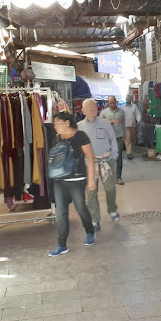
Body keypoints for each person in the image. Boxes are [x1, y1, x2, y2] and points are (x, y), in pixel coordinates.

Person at [49, 112, 97, 257]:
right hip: (59, 181)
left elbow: (90, 157)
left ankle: (90, 231)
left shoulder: (80, 136)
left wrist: (91, 179)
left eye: (58, 124)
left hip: (76, 180)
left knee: (81, 208)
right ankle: (61, 244)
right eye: (55, 124)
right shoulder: (56, 139)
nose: (55, 127)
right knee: (61, 213)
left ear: (67, 123)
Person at [78, 98, 120, 231]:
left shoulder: (105, 123)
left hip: (106, 161)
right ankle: (95, 220)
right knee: (91, 192)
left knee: (110, 188)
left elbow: (113, 140)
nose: (92, 110)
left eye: (94, 107)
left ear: (98, 109)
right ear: (83, 111)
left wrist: (114, 156)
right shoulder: (79, 126)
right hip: (88, 163)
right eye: (89, 108)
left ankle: (112, 210)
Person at [100, 95, 126, 185]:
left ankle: (118, 177)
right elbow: (100, 125)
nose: (112, 104)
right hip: (107, 139)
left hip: (118, 138)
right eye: (110, 103)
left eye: (113, 102)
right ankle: (110, 177)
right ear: (108, 103)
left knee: (118, 158)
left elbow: (124, 124)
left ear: (116, 102)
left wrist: (124, 136)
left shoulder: (121, 112)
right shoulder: (104, 113)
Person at [122, 94, 142, 160]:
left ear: (131, 99)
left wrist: (138, 120)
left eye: (129, 99)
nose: (128, 100)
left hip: (133, 125)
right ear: (125, 100)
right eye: (127, 99)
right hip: (125, 126)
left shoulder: (134, 107)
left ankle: (131, 151)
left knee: (133, 139)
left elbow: (137, 114)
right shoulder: (122, 107)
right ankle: (129, 153)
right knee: (127, 139)